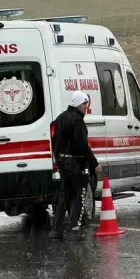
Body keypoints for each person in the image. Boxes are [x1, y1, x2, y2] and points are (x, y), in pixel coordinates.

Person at [49, 92, 102, 240]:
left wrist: (59, 160)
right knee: (80, 194)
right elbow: (82, 144)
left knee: (64, 195)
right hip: (77, 163)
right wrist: (94, 163)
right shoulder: (77, 120)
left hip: (63, 162)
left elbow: (54, 142)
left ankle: (56, 229)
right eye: (85, 104)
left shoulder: (60, 118)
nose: (87, 107)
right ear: (78, 104)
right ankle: (74, 227)